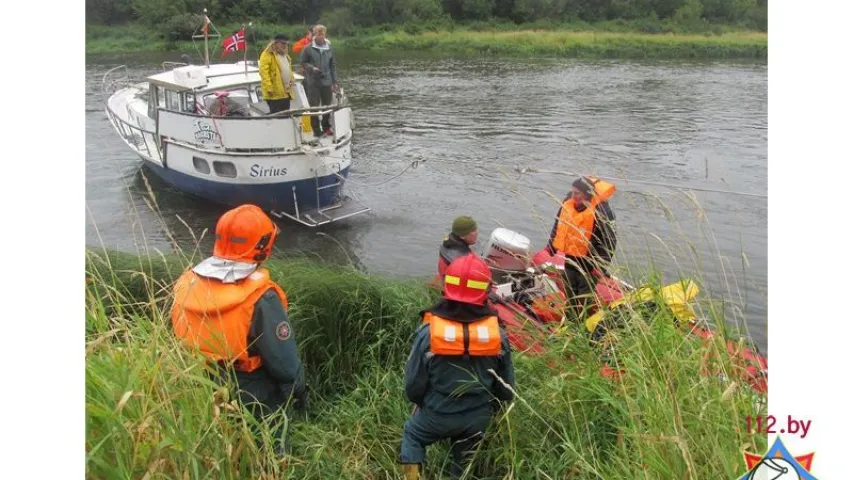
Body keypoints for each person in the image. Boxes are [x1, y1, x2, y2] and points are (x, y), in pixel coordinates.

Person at [170, 204, 307, 458]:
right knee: (268, 451)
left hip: (200, 381)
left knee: (219, 448)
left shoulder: (187, 284)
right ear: (263, 246)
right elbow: (285, 365)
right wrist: (298, 387)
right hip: (254, 392)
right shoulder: (261, 298)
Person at [400, 253, 516, 480]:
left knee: (413, 436)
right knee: (463, 463)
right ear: (486, 291)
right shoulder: (498, 337)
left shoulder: (428, 333)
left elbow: (413, 385)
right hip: (477, 419)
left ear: (446, 286)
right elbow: (506, 390)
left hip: (437, 413)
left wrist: (421, 403)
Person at [546, 176, 617, 312]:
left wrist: (600, 266)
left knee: (584, 296)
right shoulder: (568, 203)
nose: (574, 196)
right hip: (571, 258)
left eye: (577, 193)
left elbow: (610, 242)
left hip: (590, 263)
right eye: (572, 192)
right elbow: (558, 225)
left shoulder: (603, 212)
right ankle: (571, 320)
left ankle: (585, 323)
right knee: (570, 293)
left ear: (587, 193)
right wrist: (550, 247)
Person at [299, 24, 339, 137]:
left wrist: (335, 81)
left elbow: (333, 65)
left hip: (327, 81)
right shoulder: (308, 48)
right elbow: (303, 62)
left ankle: (326, 127)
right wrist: (312, 68)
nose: (321, 36)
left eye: (322, 34)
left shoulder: (329, 48)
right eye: (318, 34)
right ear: (314, 34)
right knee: (314, 106)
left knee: (327, 105)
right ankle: (316, 130)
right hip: (313, 82)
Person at [259, 33, 296, 114]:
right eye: (283, 43)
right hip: (274, 94)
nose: (285, 45)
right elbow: (264, 72)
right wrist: (269, 87)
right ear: (275, 43)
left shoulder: (285, 55)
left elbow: (288, 69)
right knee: (277, 116)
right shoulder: (267, 54)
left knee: (286, 115)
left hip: (285, 93)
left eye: (286, 44)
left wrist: (292, 80)